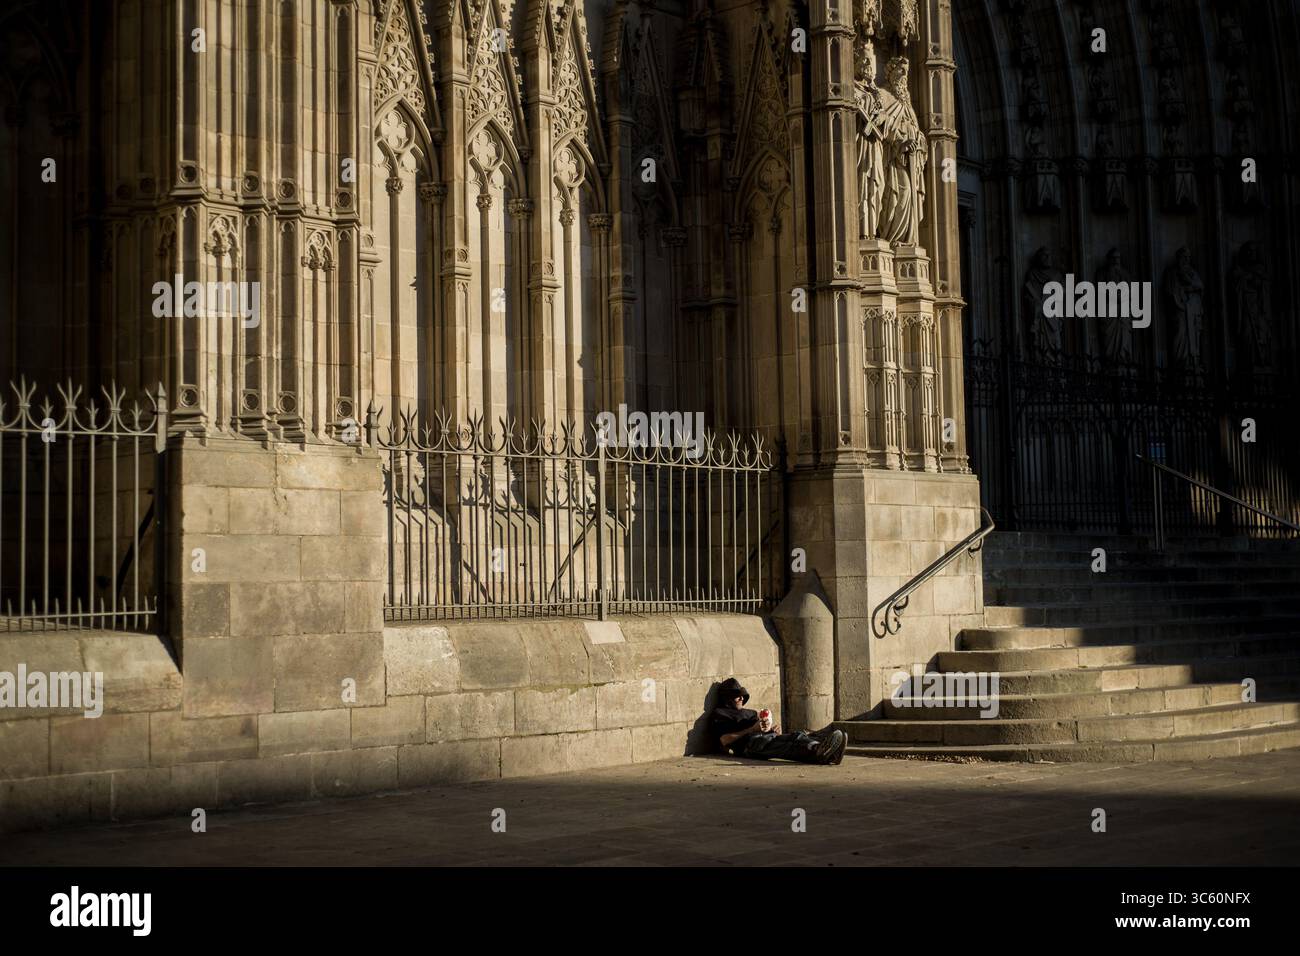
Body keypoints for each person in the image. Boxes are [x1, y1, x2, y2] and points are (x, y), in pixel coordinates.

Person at [708, 677, 846, 765]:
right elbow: (724, 740)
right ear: (727, 699)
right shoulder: (720, 713)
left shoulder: (750, 712)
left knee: (795, 736)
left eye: (742, 696)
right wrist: (752, 729)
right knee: (788, 745)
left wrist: (772, 729)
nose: (741, 699)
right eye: (736, 697)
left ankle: (827, 753)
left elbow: (762, 728)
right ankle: (820, 750)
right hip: (750, 745)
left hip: (767, 737)